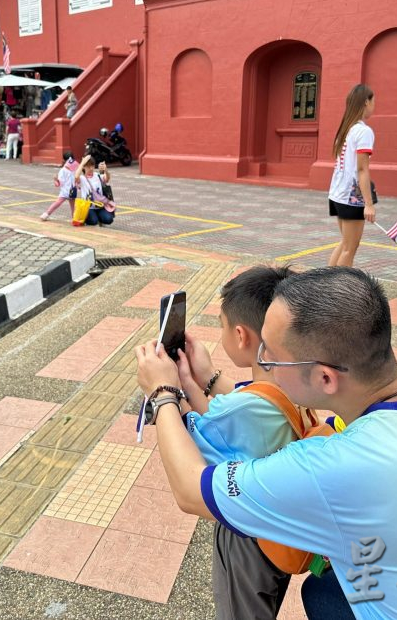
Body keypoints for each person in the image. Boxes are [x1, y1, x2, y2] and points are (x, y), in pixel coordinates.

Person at [134, 266, 397, 620]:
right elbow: (273, 402)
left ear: (325, 378)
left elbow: (191, 489)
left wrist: (164, 391)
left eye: (270, 358)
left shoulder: (332, 468)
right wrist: (204, 379)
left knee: (325, 592)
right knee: (324, 592)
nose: (264, 367)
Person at [175, 266, 298, 620]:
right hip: (281, 525)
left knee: (240, 610)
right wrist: (192, 378)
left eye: (222, 325)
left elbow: (196, 439)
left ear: (241, 335)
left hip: (247, 531)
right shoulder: (291, 388)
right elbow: (220, 419)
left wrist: (167, 393)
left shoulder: (246, 405)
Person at [327, 84, 376, 267]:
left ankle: (324, 286)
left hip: (337, 193)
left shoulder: (346, 128)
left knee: (345, 244)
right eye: (373, 101)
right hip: (351, 197)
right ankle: (338, 292)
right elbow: (362, 169)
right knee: (350, 248)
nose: (374, 105)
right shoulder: (364, 131)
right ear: (366, 102)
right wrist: (369, 204)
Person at [75, 156, 114, 226]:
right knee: (93, 221)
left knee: (109, 219)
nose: (91, 168)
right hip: (88, 207)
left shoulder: (98, 176)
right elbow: (76, 176)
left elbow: (107, 178)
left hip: (100, 206)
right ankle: (89, 219)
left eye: (92, 166)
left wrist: (106, 170)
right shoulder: (82, 178)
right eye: (88, 166)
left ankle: (99, 219)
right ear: (84, 167)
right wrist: (82, 163)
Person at [40, 151, 79, 221]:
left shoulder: (63, 170)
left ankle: (46, 214)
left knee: (57, 203)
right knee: (73, 206)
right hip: (73, 190)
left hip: (65, 191)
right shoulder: (76, 169)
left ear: (64, 160)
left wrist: (55, 180)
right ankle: (74, 218)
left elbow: (59, 183)